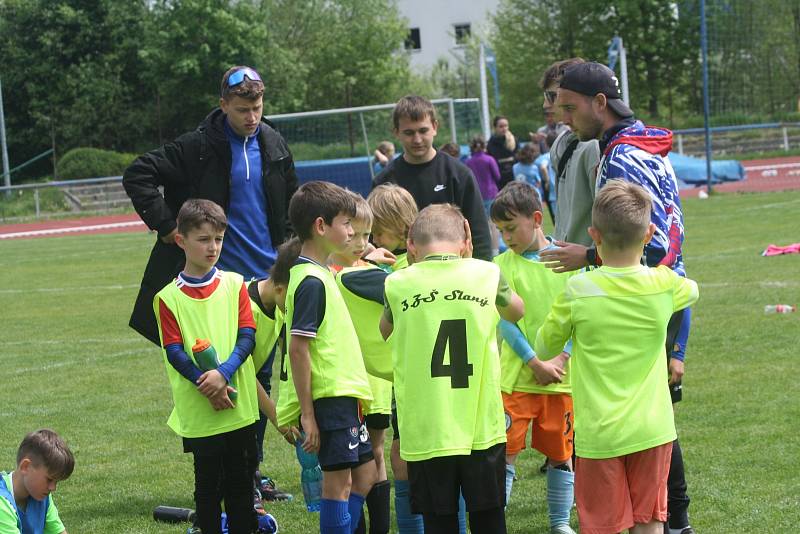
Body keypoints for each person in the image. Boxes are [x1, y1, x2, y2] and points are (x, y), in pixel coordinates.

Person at [123, 66, 297, 498]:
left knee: (259, 378)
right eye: (242, 109)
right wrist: (167, 227)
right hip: (215, 288)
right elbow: (138, 174)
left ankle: (250, 474)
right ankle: (229, 478)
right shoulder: (198, 145)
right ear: (223, 106)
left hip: (265, 280)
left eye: (257, 108)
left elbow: (290, 203)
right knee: (220, 377)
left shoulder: (274, 143)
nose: (251, 117)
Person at [553, 61, 696, 534]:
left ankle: (672, 518)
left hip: (638, 293)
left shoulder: (620, 158)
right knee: (653, 418)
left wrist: (587, 260)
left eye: (571, 107)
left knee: (637, 417)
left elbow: (644, 243)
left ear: (600, 104)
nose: (564, 118)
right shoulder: (642, 144)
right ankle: (672, 521)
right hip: (663, 293)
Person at [534, 181, 699, 534]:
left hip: (599, 433)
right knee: (651, 522)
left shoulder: (577, 291)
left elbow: (545, 347)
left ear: (594, 235)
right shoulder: (664, 285)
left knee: (603, 526)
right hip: (653, 429)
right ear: (649, 233)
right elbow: (692, 288)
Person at [380, 204, 524, 534]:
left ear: (412, 246)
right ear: (465, 240)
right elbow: (517, 311)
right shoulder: (486, 274)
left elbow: (385, 331)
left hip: (427, 428)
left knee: (438, 523)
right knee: (489, 519)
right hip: (480, 425)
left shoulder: (397, 283)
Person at [153, 199, 260, 534]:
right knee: (208, 488)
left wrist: (223, 373)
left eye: (218, 238)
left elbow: (247, 336)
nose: (212, 247)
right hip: (201, 410)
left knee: (242, 484)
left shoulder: (234, 284)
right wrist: (206, 382)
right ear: (182, 241)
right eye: (203, 239)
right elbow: (174, 351)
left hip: (237, 403)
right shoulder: (168, 298)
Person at [276, 181, 377, 534]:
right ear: (321, 227)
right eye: (346, 224)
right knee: (339, 485)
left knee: (365, 475)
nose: (351, 232)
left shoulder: (320, 273)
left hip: (345, 397)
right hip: (329, 399)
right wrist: (308, 416)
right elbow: (298, 348)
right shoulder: (311, 282)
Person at [489, 182, 576, 534]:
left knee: (561, 455)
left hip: (561, 380)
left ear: (537, 219)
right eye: (500, 230)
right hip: (516, 380)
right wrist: (534, 362)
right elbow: (505, 321)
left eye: (511, 228)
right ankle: (496, 522)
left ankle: (560, 523)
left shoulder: (570, 261)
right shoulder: (498, 266)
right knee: (505, 453)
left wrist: (563, 358)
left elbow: (579, 316)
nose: (506, 236)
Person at [330, 193, 393, 534]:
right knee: (354, 464)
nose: (360, 242)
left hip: (376, 384)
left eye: (367, 235)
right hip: (348, 383)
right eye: (352, 234)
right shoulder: (331, 275)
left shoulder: (367, 271)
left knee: (375, 455)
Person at [373, 95, 492, 261]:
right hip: (404, 276)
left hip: (453, 271)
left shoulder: (459, 174)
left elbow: (479, 234)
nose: (417, 139)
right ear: (396, 132)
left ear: (435, 127)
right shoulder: (384, 181)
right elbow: (375, 237)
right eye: (409, 132)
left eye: (423, 130)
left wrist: (481, 272)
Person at [0, 429, 74, 534]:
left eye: (56, 482)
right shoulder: (2, 502)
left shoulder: (41, 497)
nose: (53, 488)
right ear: (25, 467)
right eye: (49, 480)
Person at [366, 183, 418, 272]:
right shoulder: (376, 254)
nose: (374, 240)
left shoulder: (416, 260)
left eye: (379, 233)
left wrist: (369, 264)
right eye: (372, 234)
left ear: (400, 225)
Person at [465, 135, 501, 254]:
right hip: (491, 193)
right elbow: (497, 176)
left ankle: (486, 249)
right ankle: (495, 250)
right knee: (493, 223)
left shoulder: (468, 162)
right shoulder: (489, 159)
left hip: (477, 195)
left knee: (483, 223)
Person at [487, 115, 518, 190]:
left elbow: (518, 157)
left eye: (506, 126)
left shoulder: (514, 140)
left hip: (514, 176)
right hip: (499, 179)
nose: (504, 129)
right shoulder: (491, 143)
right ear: (495, 128)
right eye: (501, 126)